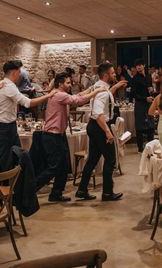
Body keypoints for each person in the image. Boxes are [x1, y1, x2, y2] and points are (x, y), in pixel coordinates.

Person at [35, 72, 108, 202]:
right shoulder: (59, 95)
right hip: (52, 136)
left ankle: (56, 194)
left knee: (64, 166)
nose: (70, 85)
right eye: (68, 83)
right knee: (54, 167)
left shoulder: (60, 94)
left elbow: (77, 95)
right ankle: (29, 190)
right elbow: (78, 100)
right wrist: (96, 92)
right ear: (60, 84)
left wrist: (90, 89)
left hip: (59, 135)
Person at [76, 62, 127, 202]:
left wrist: (116, 86)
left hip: (94, 126)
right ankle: (107, 193)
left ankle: (82, 189)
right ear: (106, 75)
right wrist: (107, 132)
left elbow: (106, 96)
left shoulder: (99, 86)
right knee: (110, 159)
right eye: (112, 73)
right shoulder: (102, 91)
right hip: (99, 127)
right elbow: (98, 113)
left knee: (92, 159)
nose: (115, 74)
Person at [0, 60, 57, 171]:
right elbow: (28, 103)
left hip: (7, 125)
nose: (20, 74)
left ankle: (15, 183)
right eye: (19, 71)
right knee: (7, 157)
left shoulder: (3, 84)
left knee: (17, 155)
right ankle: (6, 185)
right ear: (14, 72)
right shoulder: (9, 86)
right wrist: (48, 96)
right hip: (5, 127)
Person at [131, 59, 155, 152]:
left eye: (140, 65)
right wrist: (145, 98)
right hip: (140, 104)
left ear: (144, 65)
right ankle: (140, 148)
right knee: (140, 126)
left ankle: (151, 146)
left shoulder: (149, 76)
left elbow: (150, 89)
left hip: (149, 104)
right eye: (137, 66)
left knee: (151, 125)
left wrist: (151, 91)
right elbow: (133, 94)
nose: (138, 67)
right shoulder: (135, 79)